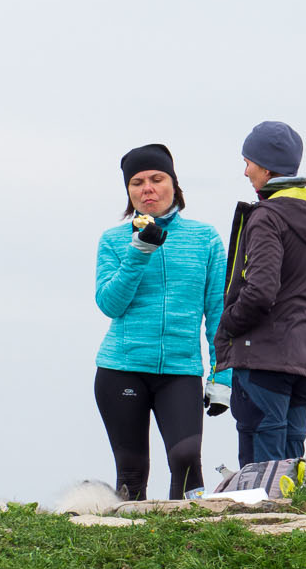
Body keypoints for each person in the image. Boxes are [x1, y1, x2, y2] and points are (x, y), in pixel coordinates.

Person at [93, 144, 230, 501]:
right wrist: (138, 251)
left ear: (174, 184)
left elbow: (218, 311)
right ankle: (130, 550)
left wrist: (222, 375)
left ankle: (191, 549)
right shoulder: (113, 240)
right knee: (133, 473)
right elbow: (110, 304)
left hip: (180, 370)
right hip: (121, 368)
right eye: (137, 182)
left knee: (186, 458)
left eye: (157, 178)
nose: (147, 188)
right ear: (128, 191)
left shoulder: (205, 238)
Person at [216, 121, 306, 465]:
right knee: (291, 459)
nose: (245, 171)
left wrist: (228, 326)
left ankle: (263, 519)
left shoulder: (267, 217)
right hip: (302, 359)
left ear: (266, 168)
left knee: (260, 467)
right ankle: (297, 520)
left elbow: (259, 291)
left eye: (249, 162)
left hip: (262, 356)